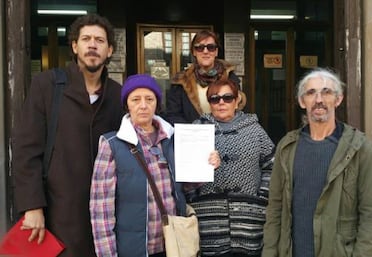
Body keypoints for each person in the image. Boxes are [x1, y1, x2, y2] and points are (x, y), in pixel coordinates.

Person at [12, 14, 124, 257]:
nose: (92, 45)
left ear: (109, 50)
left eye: (100, 40)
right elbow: (25, 150)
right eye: (86, 39)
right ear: (75, 46)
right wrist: (32, 206)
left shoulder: (119, 95)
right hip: (57, 212)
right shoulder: (48, 85)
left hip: (107, 216)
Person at [89, 74, 220, 257]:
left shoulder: (172, 139)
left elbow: (186, 189)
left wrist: (205, 166)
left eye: (149, 99)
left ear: (156, 104)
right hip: (133, 249)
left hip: (172, 246)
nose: (143, 105)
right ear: (127, 104)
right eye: (136, 99)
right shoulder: (112, 144)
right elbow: (101, 211)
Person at [262, 68, 372, 257]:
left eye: (326, 92)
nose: (319, 99)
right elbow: (275, 209)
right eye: (311, 93)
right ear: (302, 101)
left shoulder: (359, 148)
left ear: (338, 99)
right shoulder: (287, 147)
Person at [187, 79, 275, 257]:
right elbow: (184, 172)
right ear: (209, 103)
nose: (221, 102)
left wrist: (262, 197)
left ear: (237, 101)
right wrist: (194, 196)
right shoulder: (196, 130)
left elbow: (271, 166)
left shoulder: (255, 130)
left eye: (227, 98)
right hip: (209, 219)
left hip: (249, 217)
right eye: (215, 98)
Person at [164, 30, 246, 124]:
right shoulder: (181, 81)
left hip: (225, 135)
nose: (205, 51)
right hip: (193, 135)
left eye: (211, 47)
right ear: (194, 52)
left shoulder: (230, 78)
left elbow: (238, 109)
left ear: (216, 52)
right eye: (200, 48)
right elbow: (173, 115)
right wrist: (195, 130)